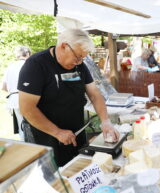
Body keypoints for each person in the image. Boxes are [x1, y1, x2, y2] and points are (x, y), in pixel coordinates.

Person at [18, 29, 119, 167]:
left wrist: (105, 121)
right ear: (64, 46)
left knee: (78, 170)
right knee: (55, 180)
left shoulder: (80, 66)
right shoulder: (36, 65)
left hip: (75, 133)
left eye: (82, 58)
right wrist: (57, 132)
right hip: (46, 136)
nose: (79, 62)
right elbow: (27, 109)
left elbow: (95, 94)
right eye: (77, 56)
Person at [2, 46, 31, 141]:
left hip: (14, 99)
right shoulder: (29, 64)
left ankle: (25, 145)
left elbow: (3, 87)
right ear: (27, 54)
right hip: (28, 97)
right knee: (33, 124)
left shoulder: (10, 67)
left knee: (21, 125)